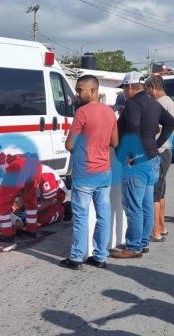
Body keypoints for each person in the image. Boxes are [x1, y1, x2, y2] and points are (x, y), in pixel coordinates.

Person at [111, 72, 174, 259]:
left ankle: (133, 247)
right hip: (152, 159)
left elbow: (132, 127)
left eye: (124, 88)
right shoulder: (153, 103)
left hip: (138, 162)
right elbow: (170, 123)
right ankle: (143, 242)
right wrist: (157, 143)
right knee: (147, 204)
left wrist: (131, 153)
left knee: (134, 207)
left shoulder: (132, 104)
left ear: (130, 87)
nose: (124, 92)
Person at [60, 75, 118, 269]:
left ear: (93, 90)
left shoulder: (82, 113)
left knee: (81, 216)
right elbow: (115, 142)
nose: (77, 94)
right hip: (104, 171)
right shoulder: (110, 112)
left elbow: (69, 144)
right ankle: (100, 256)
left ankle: (76, 258)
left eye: (79, 90)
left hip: (85, 172)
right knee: (103, 214)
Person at [145, 75, 174, 242]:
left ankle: (155, 231)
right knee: (161, 192)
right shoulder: (169, 102)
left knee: (154, 194)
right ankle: (162, 226)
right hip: (167, 151)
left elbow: (156, 127)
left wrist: (154, 144)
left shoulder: (159, 104)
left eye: (146, 89)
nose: (146, 93)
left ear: (152, 88)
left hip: (160, 151)